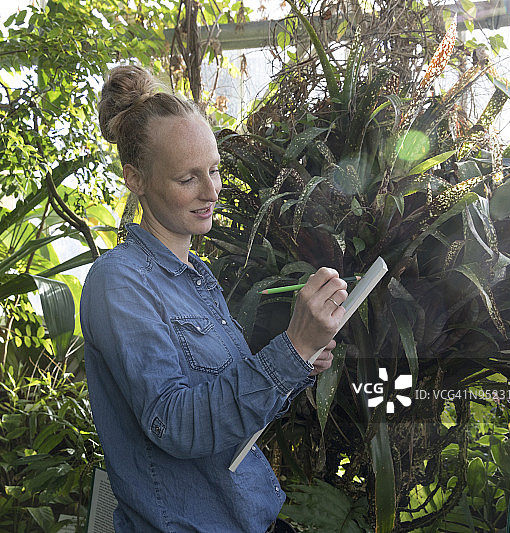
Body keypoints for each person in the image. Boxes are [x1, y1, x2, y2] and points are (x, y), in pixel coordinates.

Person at [80, 65, 348, 533]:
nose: (212, 192)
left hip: (248, 514)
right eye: (188, 178)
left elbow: (231, 414)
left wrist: (300, 359)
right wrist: (291, 351)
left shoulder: (198, 278)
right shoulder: (118, 282)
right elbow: (175, 424)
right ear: (135, 179)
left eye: (215, 170)